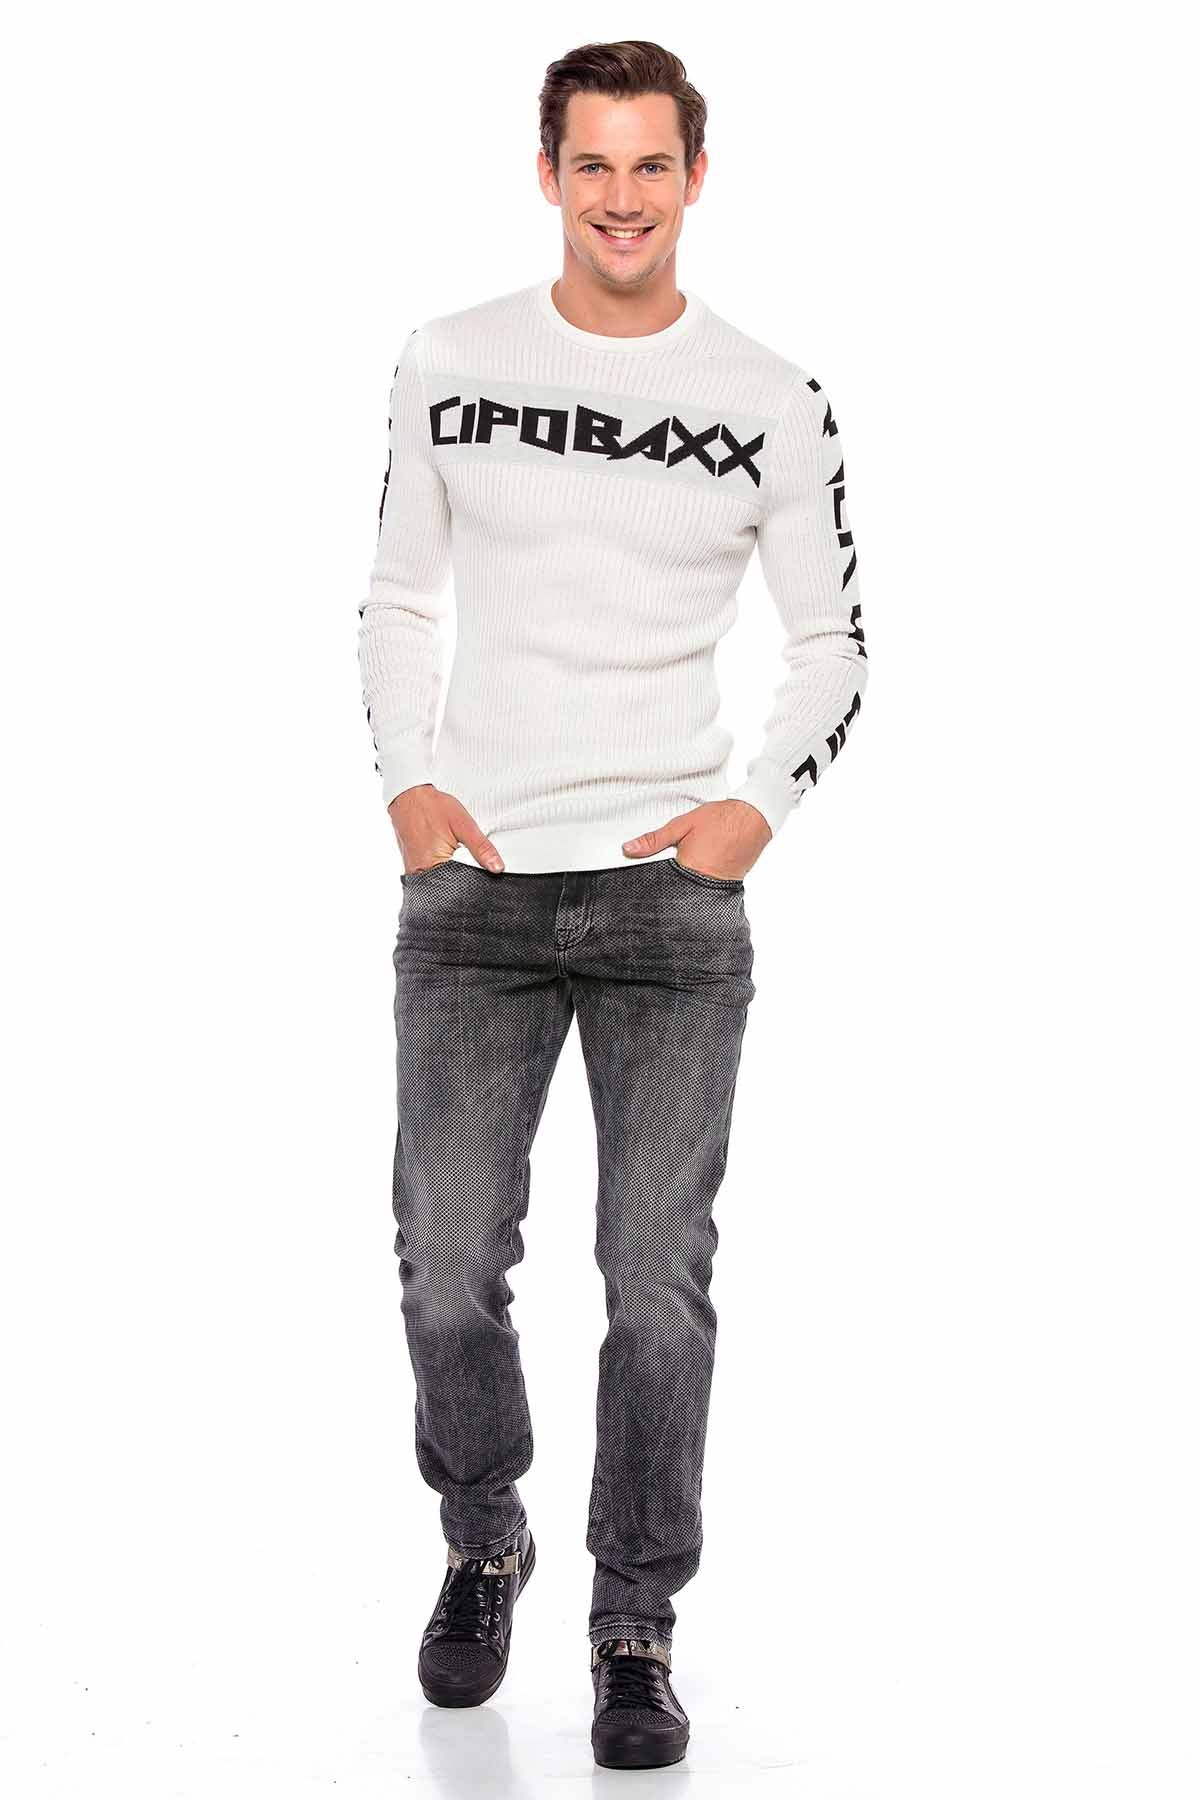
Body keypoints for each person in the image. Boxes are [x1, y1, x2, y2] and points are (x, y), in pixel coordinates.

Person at [357, 38, 868, 1771]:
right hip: (478, 891)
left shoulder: (770, 395)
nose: (623, 198)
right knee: (445, 1263)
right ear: (549, 174)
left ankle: (633, 1620)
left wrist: (752, 812)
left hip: (669, 908)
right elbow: (397, 598)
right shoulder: (451, 359)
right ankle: (483, 1530)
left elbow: (833, 643)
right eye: (594, 164)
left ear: (695, 179)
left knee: (655, 1279)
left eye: (653, 166)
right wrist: (407, 786)